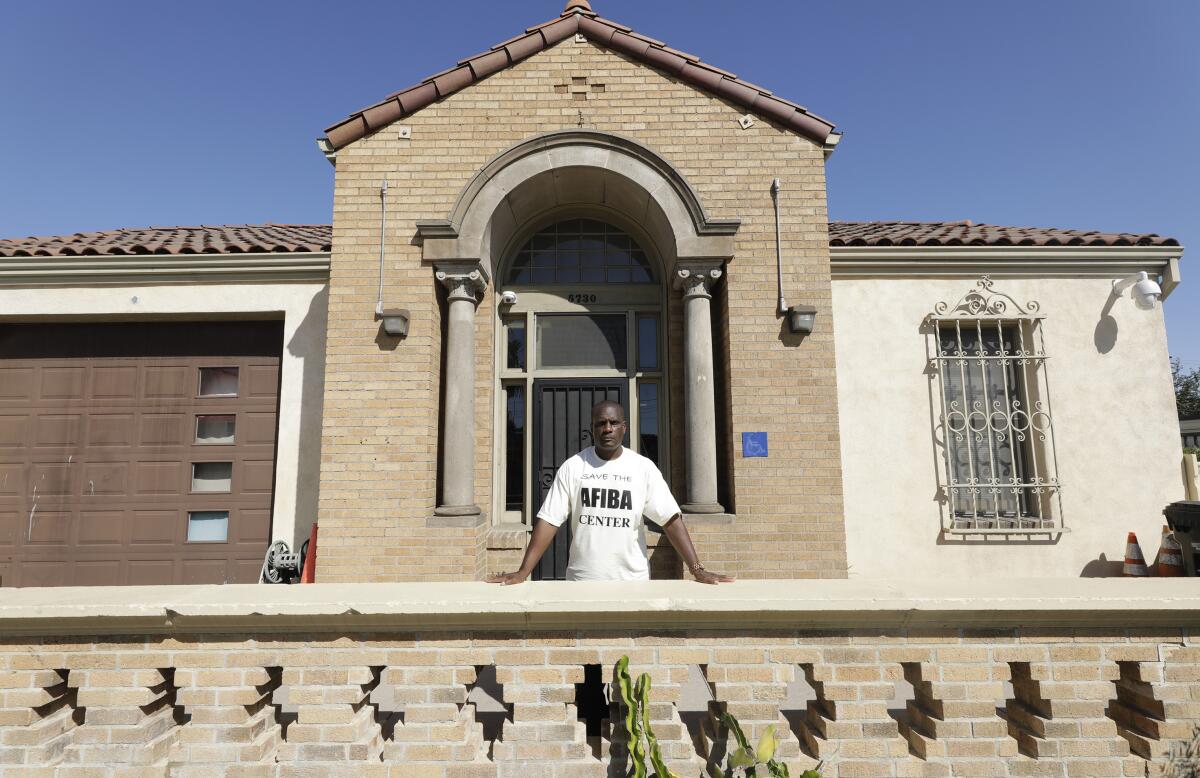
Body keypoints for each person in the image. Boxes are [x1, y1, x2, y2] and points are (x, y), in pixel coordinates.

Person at [488, 400, 734, 585]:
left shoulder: (642, 468)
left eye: (613, 423)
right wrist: (524, 572)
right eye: (601, 423)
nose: (607, 429)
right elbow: (549, 521)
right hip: (582, 582)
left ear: (623, 427)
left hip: (632, 583)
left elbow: (670, 519)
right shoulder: (574, 467)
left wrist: (696, 568)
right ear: (592, 429)